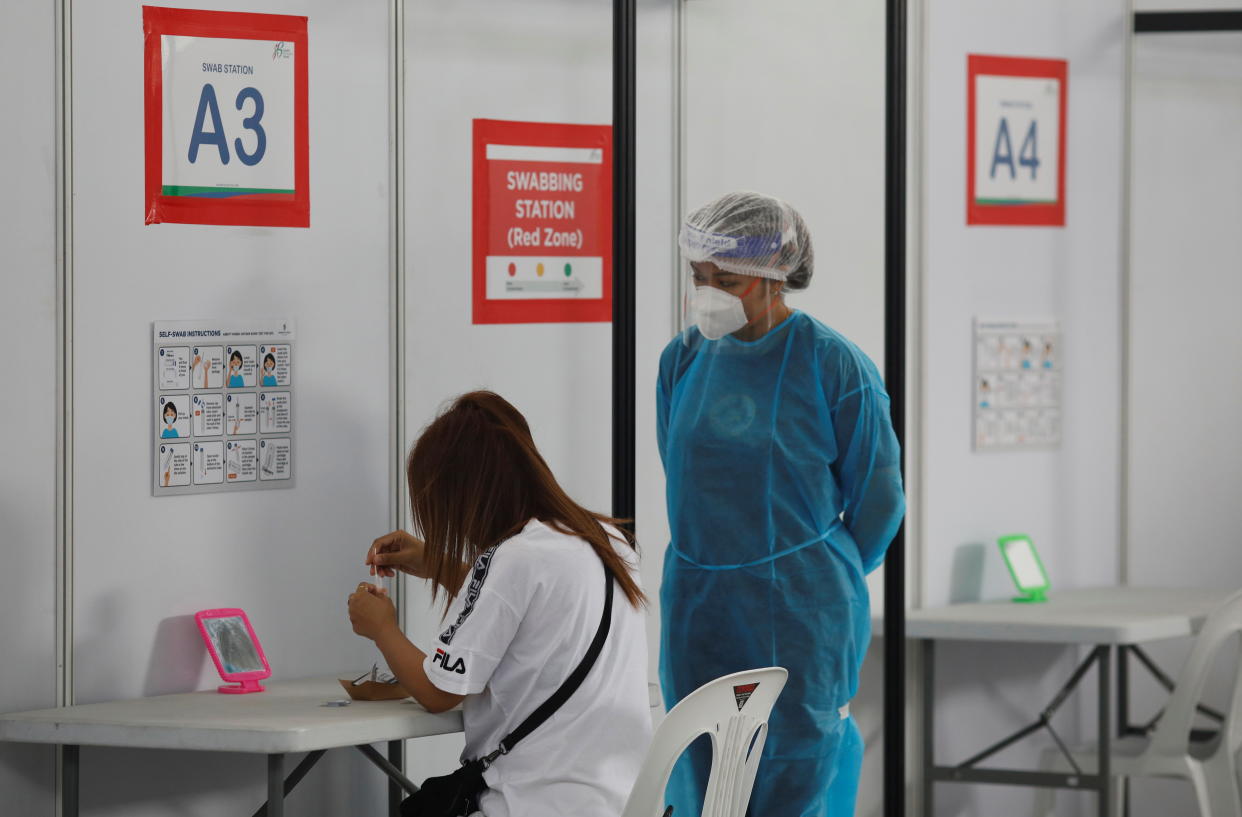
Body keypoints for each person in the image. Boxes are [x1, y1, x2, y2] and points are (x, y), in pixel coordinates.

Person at [657, 192, 905, 817]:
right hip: (697, 602)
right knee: (699, 763)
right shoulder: (682, 359)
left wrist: (818, 574)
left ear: (775, 277)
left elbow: (878, 497)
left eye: (728, 280)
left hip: (802, 608)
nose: (708, 293)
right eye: (699, 277)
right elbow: (682, 471)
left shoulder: (832, 365)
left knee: (796, 766)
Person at [347, 391, 652, 817]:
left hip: (531, 803)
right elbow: (526, 610)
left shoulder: (512, 558)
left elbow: (437, 693)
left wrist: (381, 627)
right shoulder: (606, 538)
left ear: (462, 494)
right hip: (620, 802)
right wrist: (436, 563)